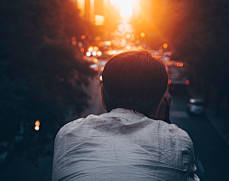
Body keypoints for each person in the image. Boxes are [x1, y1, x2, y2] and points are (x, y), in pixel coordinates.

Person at [52, 50, 199, 181]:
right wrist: (164, 122)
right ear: (163, 102)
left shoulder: (67, 134)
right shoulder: (178, 141)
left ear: (102, 97)